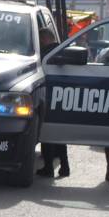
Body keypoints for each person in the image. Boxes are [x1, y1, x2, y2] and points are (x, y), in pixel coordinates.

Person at [37, 28, 70, 178]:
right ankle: (65, 166)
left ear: (43, 39)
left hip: (48, 95)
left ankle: (49, 167)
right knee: (59, 134)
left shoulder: (45, 53)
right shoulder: (63, 50)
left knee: (47, 134)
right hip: (62, 96)